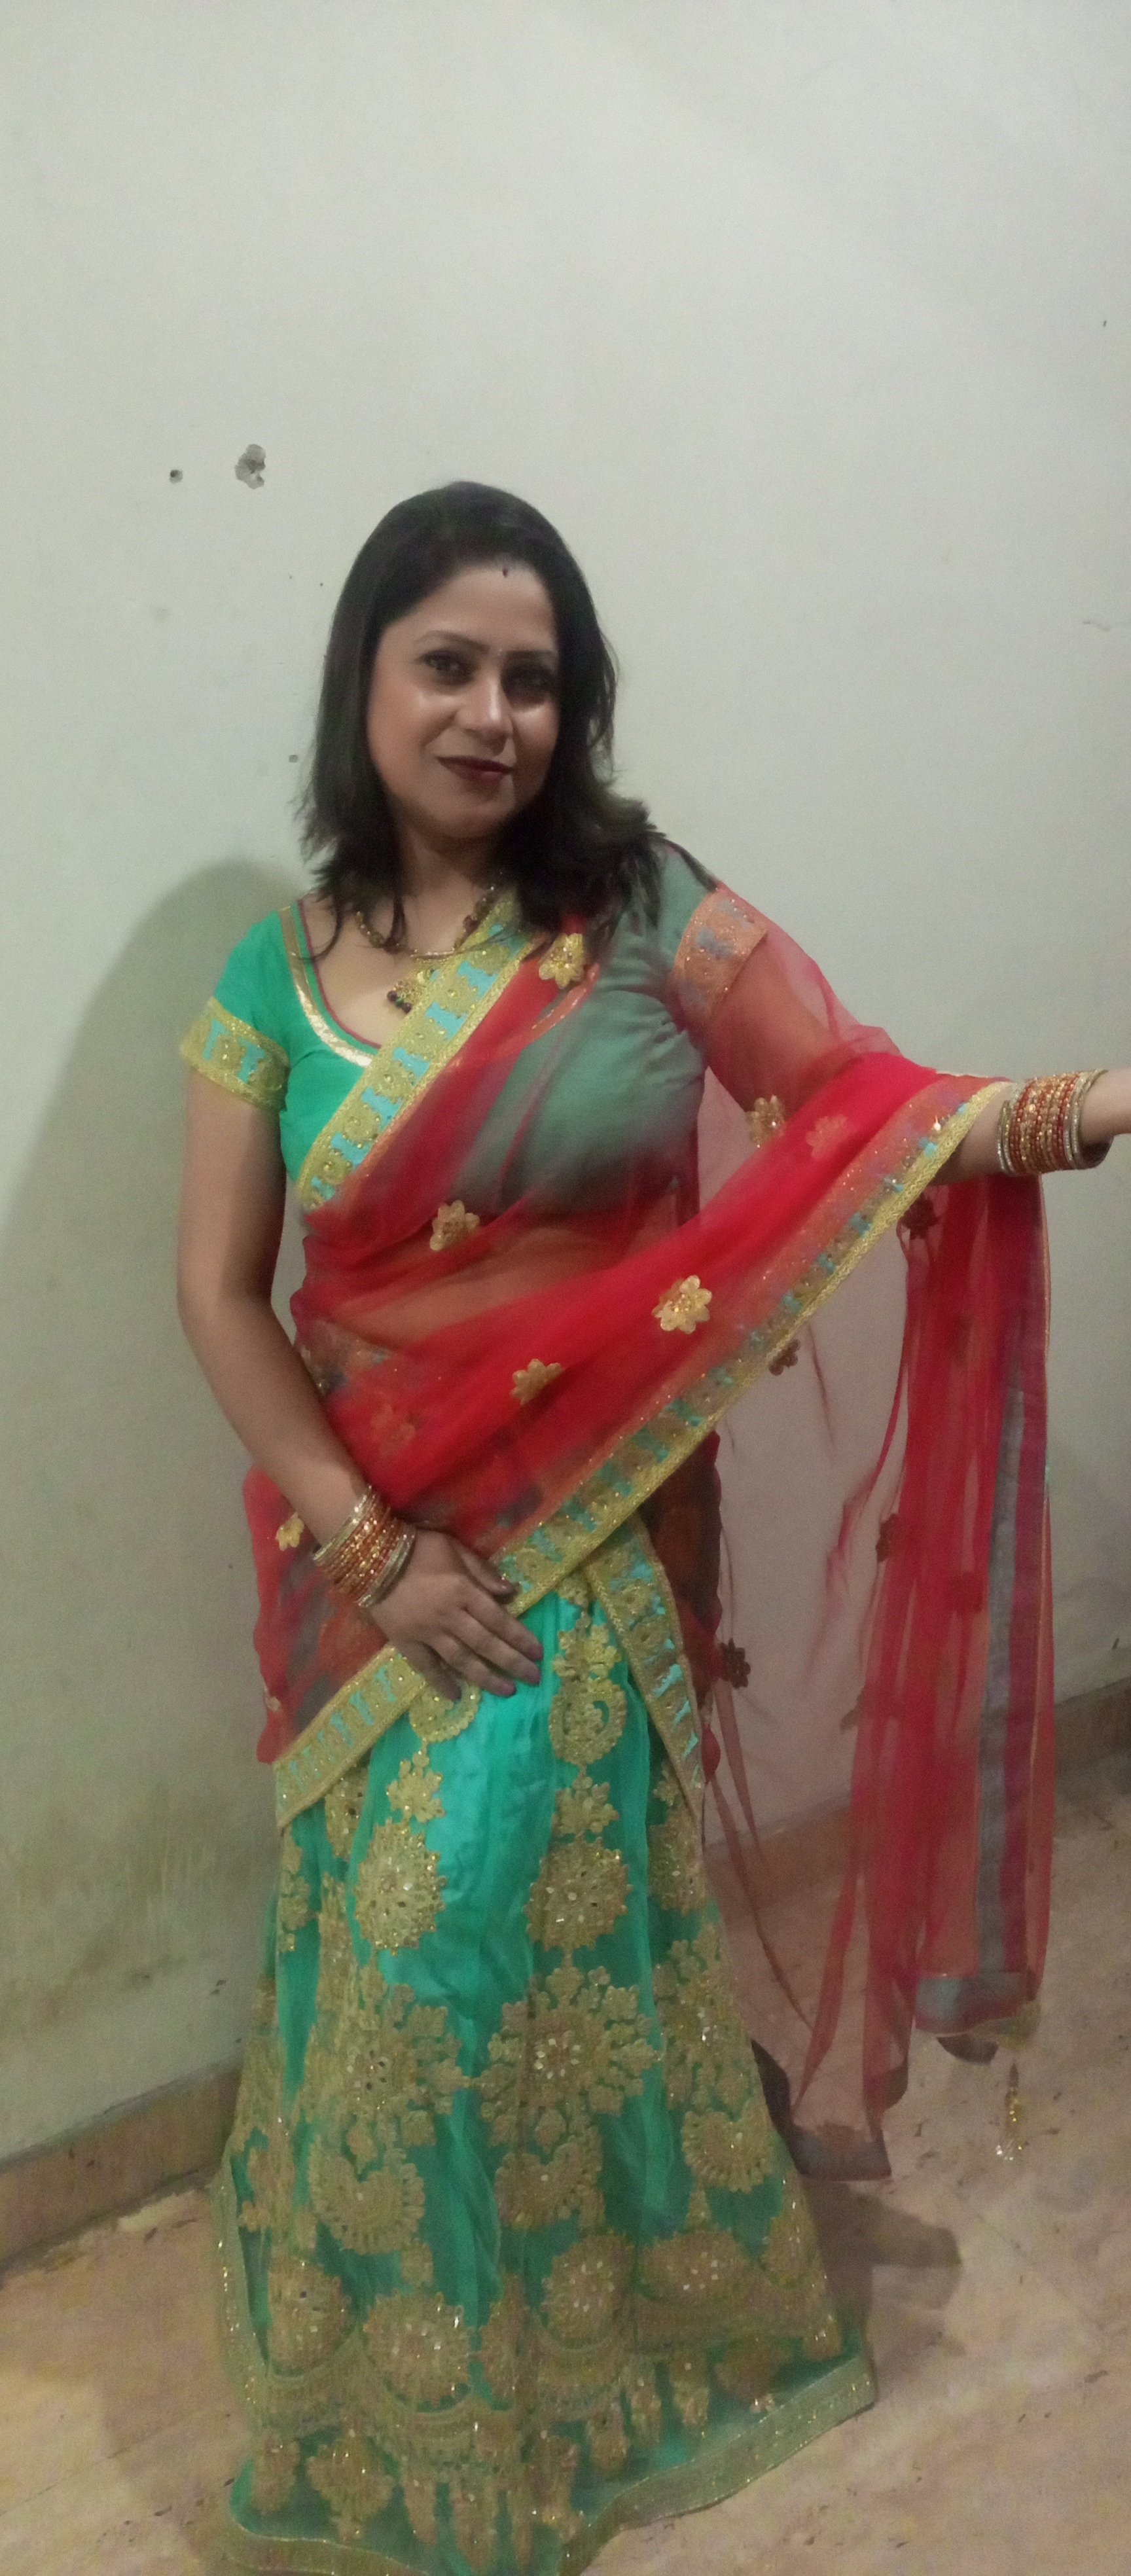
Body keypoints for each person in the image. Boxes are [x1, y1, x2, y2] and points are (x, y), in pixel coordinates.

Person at [179, 482, 1129, 2576]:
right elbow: (219, 1294)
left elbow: (859, 1100)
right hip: (364, 1561)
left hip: (596, 1544)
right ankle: (415, 2400)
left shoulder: (637, 913)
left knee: (495, 1963)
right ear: (363, 683)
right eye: (449, 665)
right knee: (410, 1986)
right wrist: (368, 1552)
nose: (492, 713)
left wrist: (1062, 1111)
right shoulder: (270, 976)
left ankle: (603, 2356)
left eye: (535, 677)